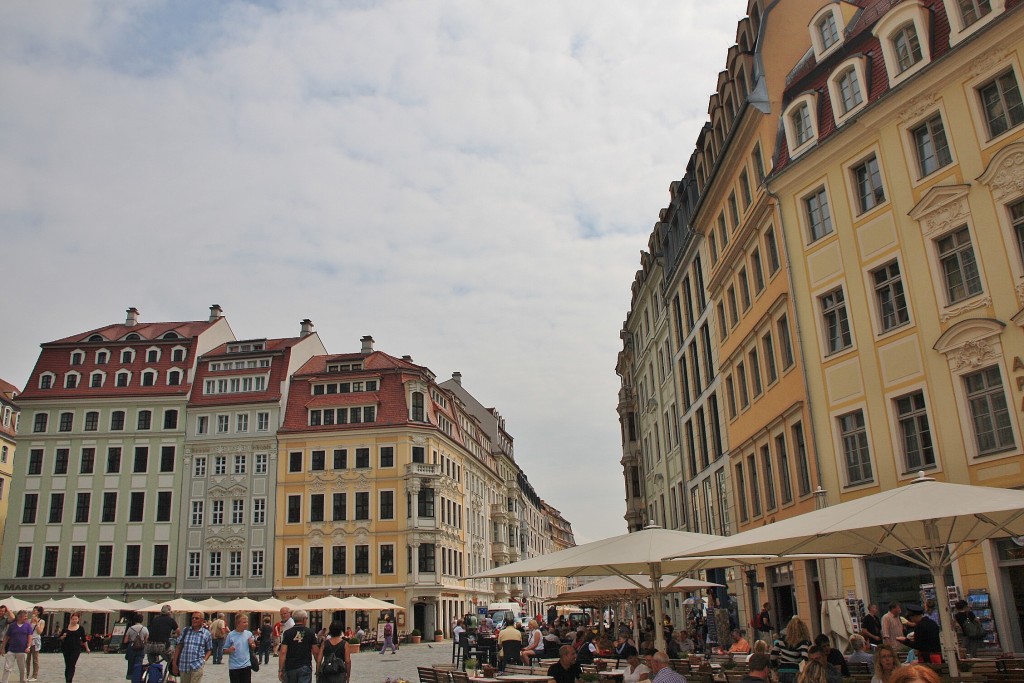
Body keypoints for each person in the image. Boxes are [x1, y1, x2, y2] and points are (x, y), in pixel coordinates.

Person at [279, 609, 319, 683]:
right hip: (305, 666)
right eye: (306, 618)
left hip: (290, 667)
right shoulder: (310, 632)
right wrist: (318, 665)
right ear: (304, 619)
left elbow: (283, 652)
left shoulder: (287, 633)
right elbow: (315, 651)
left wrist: (281, 669)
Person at [172, 611, 213, 683]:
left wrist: (203, 661)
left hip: (197, 665)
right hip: (184, 665)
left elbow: (209, 649)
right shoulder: (186, 630)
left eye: (196, 618)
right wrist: (174, 663)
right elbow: (178, 646)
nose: (194, 620)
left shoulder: (206, 634)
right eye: (192, 618)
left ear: (202, 620)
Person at [771, 616, 811, 683]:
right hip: (795, 672)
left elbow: (773, 656)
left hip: (782, 670)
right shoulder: (803, 642)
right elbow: (805, 658)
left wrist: (775, 667)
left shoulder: (781, 640)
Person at [58, 612, 90, 683]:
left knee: (72, 664)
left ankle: (69, 680)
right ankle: (67, 680)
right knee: (67, 665)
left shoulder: (81, 628)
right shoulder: (66, 627)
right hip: (66, 648)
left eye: (76, 619)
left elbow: (84, 639)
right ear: (70, 619)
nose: (74, 620)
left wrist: (87, 648)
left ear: (78, 620)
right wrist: (63, 636)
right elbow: (60, 638)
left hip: (76, 649)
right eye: (73, 619)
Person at [3, 610, 34, 683]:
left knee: (22, 668)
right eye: (25, 616)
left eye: (27, 616)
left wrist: (28, 647)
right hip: (11, 649)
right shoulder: (12, 625)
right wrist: (3, 648)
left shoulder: (27, 626)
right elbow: (6, 637)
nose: (26, 618)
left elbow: (30, 636)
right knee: (7, 667)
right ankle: (4, 681)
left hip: (22, 650)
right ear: (19, 617)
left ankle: (23, 681)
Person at [224, 613, 256, 683]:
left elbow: (253, 647)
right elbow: (224, 650)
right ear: (238, 623)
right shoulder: (231, 635)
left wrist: (252, 645)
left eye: (247, 622)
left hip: (246, 665)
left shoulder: (249, 634)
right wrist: (229, 650)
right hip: (234, 666)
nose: (246, 624)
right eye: (244, 622)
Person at [123, 613, 149, 683]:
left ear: (134, 620)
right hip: (141, 648)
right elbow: (146, 640)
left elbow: (125, 640)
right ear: (142, 620)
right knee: (139, 664)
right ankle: (138, 679)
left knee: (131, 664)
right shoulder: (145, 629)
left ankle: (132, 679)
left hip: (132, 648)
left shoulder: (130, 628)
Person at [27, 607, 44, 682]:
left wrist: (36, 623)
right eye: (33, 610)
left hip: (36, 640)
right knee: (27, 659)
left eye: (35, 610)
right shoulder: (28, 620)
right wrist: (31, 622)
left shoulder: (41, 621)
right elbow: (27, 630)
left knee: (35, 659)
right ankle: (26, 674)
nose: (33, 611)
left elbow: (40, 632)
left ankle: (34, 675)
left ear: (39, 612)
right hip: (29, 640)